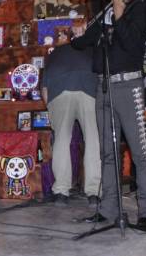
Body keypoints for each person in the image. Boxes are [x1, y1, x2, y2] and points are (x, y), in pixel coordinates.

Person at [70, 0, 146, 229]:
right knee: (108, 152)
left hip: (128, 85)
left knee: (139, 150)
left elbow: (132, 44)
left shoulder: (139, 10)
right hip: (103, 88)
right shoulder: (105, 13)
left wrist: (119, 15)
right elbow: (84, 44)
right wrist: (77, 36)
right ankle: (108, 209)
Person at [41, 30, 101, 207]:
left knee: (61, 139)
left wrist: (50, 108)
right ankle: (94, 192)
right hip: (88, 89)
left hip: (59, 91)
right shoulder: (90, 48)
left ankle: (61, 192)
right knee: (93, 140)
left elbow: (44, 88)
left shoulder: (53, 55)